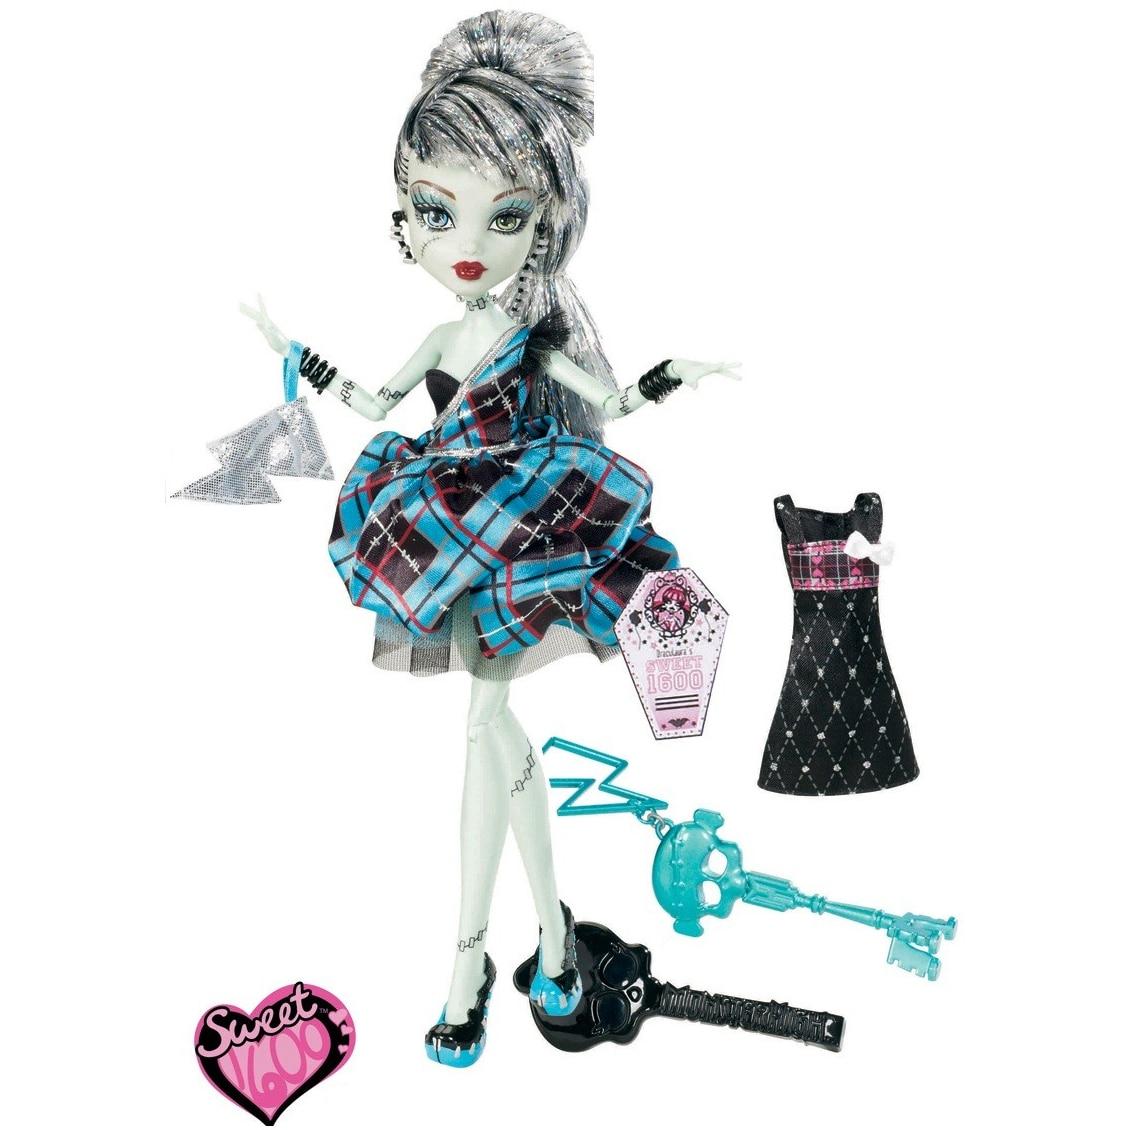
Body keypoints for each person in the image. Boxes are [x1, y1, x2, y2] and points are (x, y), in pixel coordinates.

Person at [242, 8, 737, 1067]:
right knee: (492, 729)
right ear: (406, 220)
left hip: (527, 524)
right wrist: (293, 352)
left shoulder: (529, 335)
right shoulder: (440, 333)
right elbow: (375, 403)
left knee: (483, 725)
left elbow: (607, 399)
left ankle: (470, 964)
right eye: (438, 213)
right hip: (447, 525)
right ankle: (546, 937)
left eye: (502, 217)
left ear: (542, 221)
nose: (465, 246)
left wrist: (671, 377)